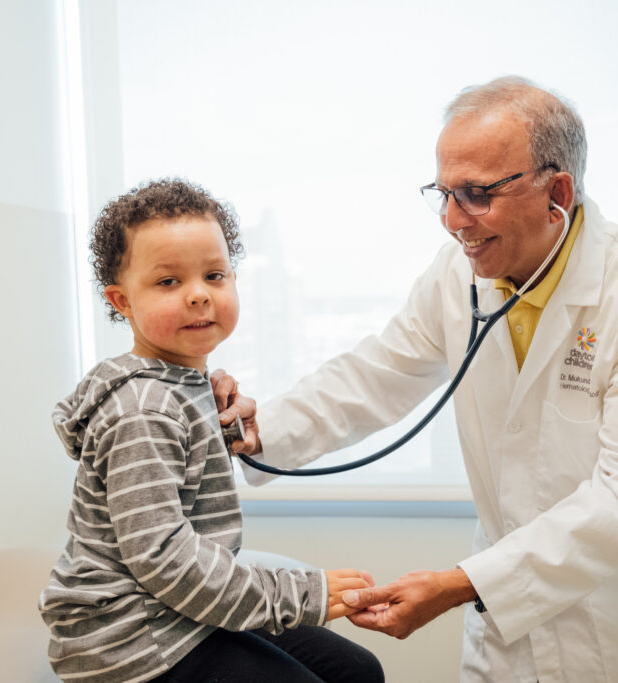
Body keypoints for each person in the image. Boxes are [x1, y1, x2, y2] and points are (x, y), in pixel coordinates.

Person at [215, 76, 618, 682]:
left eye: (477, 193)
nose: (453, 221)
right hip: (507, 627)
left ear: (557, 192)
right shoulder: (461, 275)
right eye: (444, 193)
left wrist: (461, 584)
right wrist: (253, 430)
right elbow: (377, 374)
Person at [38, 178, 384, 683]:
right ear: (122, 301)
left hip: (179, 611)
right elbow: (165, 560)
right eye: (168, 282)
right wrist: (301, 595)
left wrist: (211, 414)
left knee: (355, 670)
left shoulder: (184, 386)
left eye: (214, 275)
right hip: (133, 637)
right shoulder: (144, 410)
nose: (199, 295)